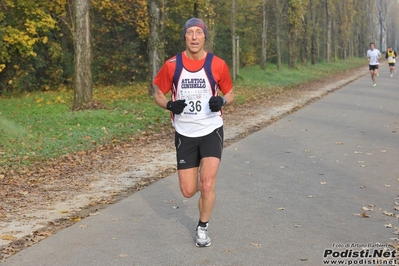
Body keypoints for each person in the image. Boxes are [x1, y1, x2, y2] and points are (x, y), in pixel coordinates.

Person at [153, 18, 234, 247]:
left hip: (211, 130)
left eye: (199, 32)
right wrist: (169, 105)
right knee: (189, 191)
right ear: (185, 37)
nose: (195, 37)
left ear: (205, 36)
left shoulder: (217, 64)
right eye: (190, 32)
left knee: (207, 184)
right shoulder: (172, 64)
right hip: (185, 133)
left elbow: (231, 93)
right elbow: (158, 93)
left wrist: (222, 100)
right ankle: (205, 184)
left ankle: (202, 227)